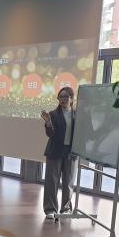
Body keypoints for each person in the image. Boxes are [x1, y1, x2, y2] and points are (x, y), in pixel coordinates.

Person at [41, 86, 78, 219]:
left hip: (71, 153)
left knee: (68, 182)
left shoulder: (77, 114)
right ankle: (50, 209)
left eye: (65, 96)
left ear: (71, 98)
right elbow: (50, 134)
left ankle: (66, 208)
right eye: (60, 97)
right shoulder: (53, 114)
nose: (63, 99)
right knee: (52, 181)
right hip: (55, 151)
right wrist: (48, 123)